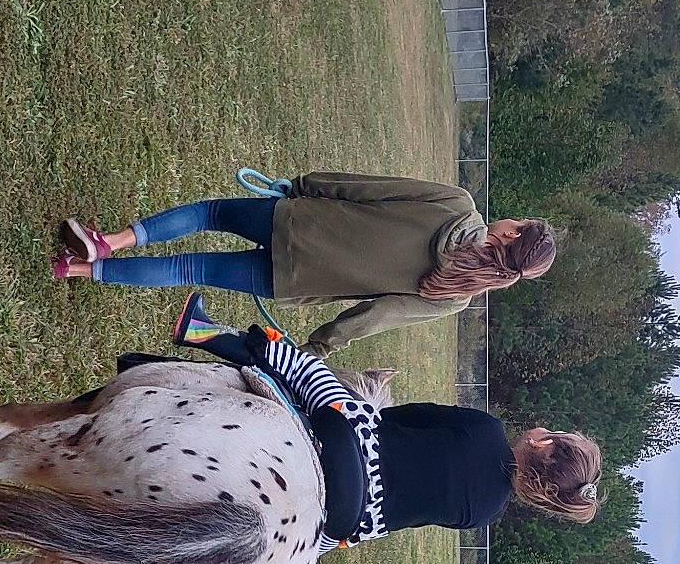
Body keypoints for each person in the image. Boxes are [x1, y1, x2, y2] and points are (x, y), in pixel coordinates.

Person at [169, 292, 601, 543]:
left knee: (302, 366)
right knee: (297, 554)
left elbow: (405, 416)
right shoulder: (484, 514)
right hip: (348, 521)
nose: (545, 430)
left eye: (553, 433)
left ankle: (200, 330)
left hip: (357, 444)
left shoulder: (486, 431)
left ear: (545, 445)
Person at [52, 172, 557, 356]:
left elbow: (371, 190)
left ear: (511, 233)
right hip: (293, 280)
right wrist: (321, 345)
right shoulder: (456, 296)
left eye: (519, 220)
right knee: (191, 271)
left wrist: (306, 185)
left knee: (210, 214)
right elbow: (374, 318)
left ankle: (108, 242)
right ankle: (80, 270)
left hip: (296, 222)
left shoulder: (458, 204)